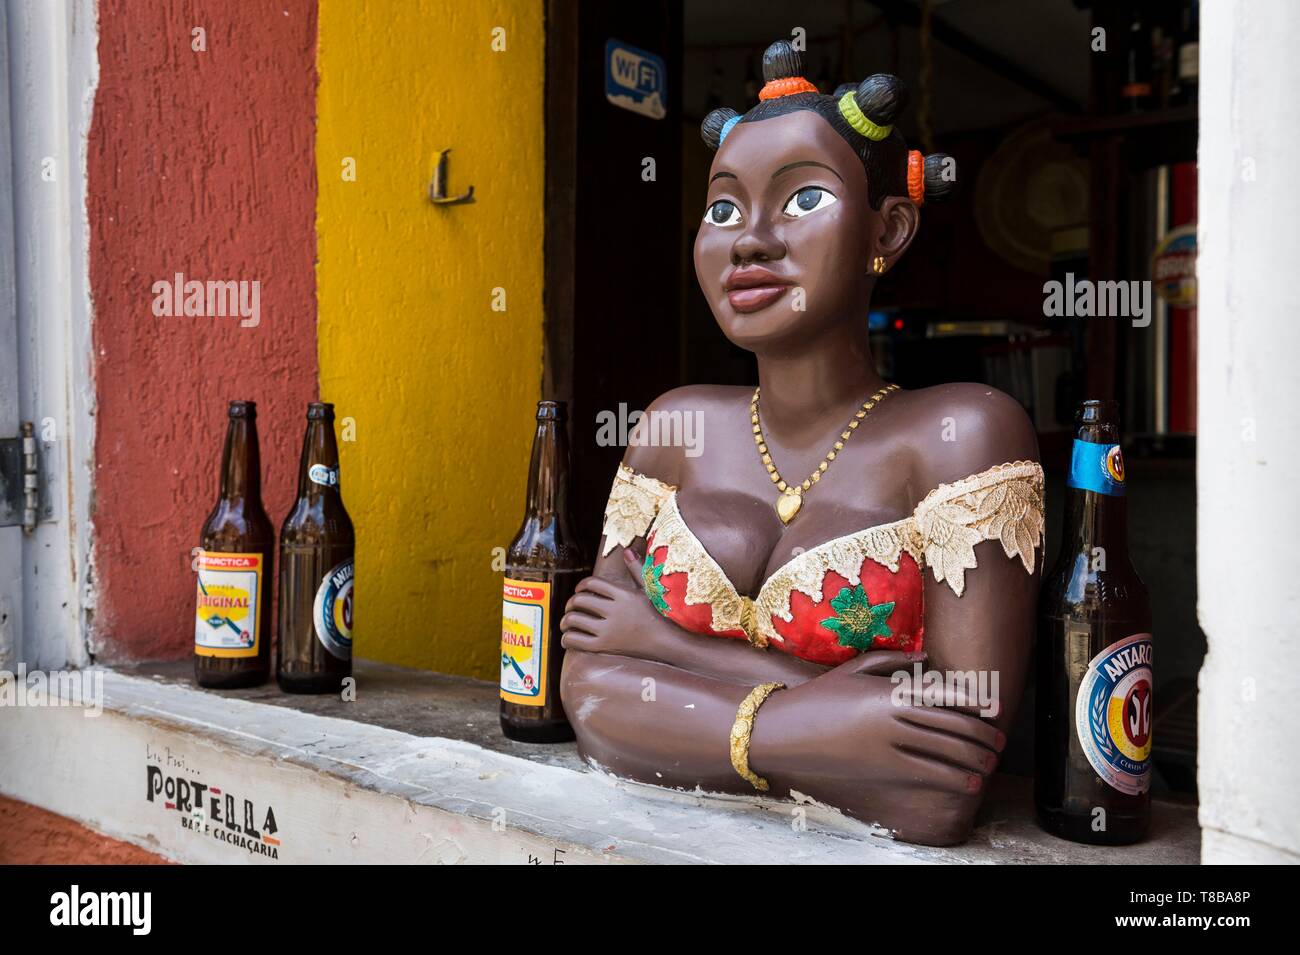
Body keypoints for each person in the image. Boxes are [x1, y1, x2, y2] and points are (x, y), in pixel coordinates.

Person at [559, 40, 1043, 847]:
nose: (748, 240)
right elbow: (590, 692)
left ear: (887, 230)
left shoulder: (963, 437)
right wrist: (829, 715)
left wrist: (660, 645)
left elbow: (947, 777)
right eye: (722, 209)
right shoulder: (671, 428)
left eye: (802, 199)